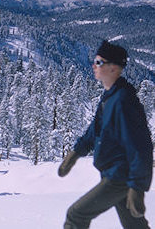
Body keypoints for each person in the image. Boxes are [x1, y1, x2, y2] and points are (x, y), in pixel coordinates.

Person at [58, 40, 153, 229]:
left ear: (113, 68)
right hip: (114, 173)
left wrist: (137, 187)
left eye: (99, 62)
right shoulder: (110, 97)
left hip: (120, 177)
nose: (94, 65)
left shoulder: (124, 101)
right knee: (135, 226)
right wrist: (75, 153)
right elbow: (95, 129)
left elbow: (140, 146)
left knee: (76, 215)